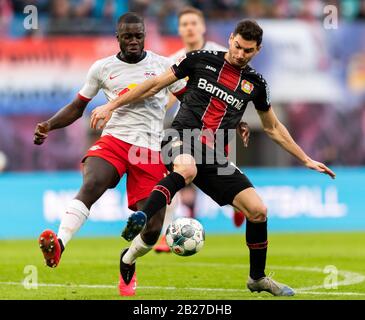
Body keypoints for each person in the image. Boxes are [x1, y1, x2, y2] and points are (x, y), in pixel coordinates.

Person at [90, 19, 336, 296]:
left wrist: (305, 159)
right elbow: (154, 84)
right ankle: (142, 216)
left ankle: (257, 278)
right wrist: (110, 105)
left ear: (258, 50)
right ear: (231, 39)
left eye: (249, 50)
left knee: (258, 211)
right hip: (179, 138)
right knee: (187, 169)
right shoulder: (199, 59)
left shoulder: (255, 84)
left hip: (213, 151)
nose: (241, 54)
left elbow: (273, 127)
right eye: (238, 46)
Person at [33, 12, 186, 296]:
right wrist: (49, 125)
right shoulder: (102, 68)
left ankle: (127, 261)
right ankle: (59, 245)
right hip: (114, 141)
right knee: (91, 184)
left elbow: (190, 98)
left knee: (152, 229)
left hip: (149, 150)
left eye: (138, 36)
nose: (133, 41)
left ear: (144, 36)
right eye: (127, 36)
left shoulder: (164, 66)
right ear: (118, 38)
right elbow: (78, 106)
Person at [154, 6, 248, 253]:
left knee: (224, 178)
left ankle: (238, 207)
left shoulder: (220, 54)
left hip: (215, 130)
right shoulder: (174, 60)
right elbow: (170, 95)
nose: (189, 28)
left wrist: (237, 121)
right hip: (185, 128)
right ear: (179, 29)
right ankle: (167, 232)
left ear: (203, 26)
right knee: (172, 177)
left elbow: (232, 92)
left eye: (193, 23)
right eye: (184, 24)